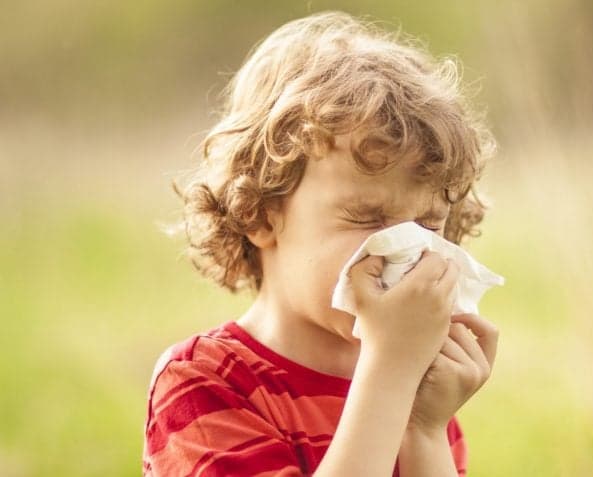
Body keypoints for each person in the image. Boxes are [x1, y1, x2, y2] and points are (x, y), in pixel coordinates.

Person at [143, 11, 499, 476]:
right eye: (366, 217)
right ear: (260, 213)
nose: (406, 250)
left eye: (429, 225)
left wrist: (425, 430)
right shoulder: (204, 384)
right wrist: (390, 370)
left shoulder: (421, 396)